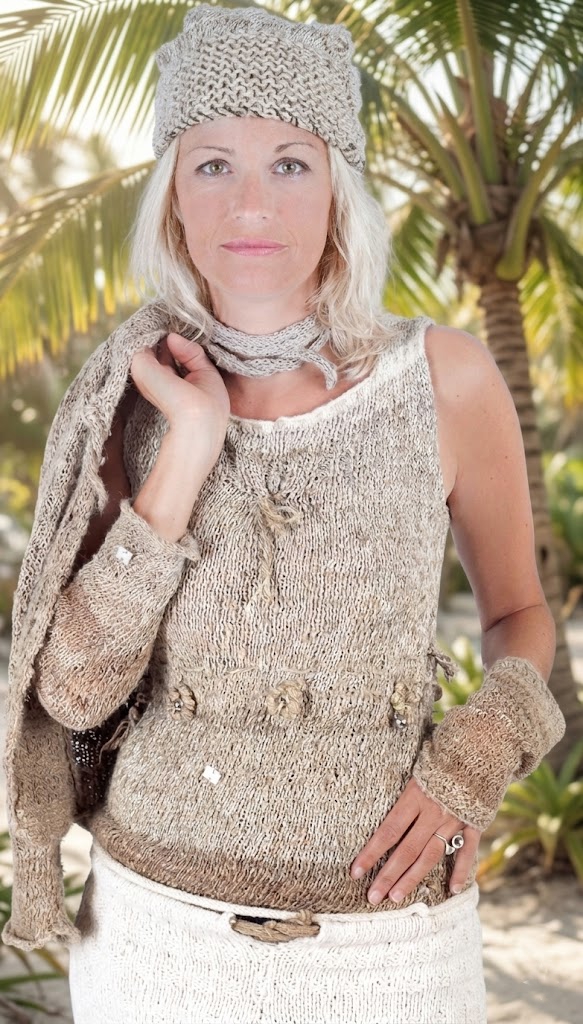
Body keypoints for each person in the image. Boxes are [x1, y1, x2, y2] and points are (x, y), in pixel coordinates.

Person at [1, 6, 565, 1023]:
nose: (251, 204)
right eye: (213, 164)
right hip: (151, 939)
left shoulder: (442, 378)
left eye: (290, 164)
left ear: (338, 186)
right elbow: (75, 693)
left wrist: (474, 762)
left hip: (389, 943)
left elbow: (520, 614)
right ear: (174, 194)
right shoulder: (129, 395)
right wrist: (187, 450)